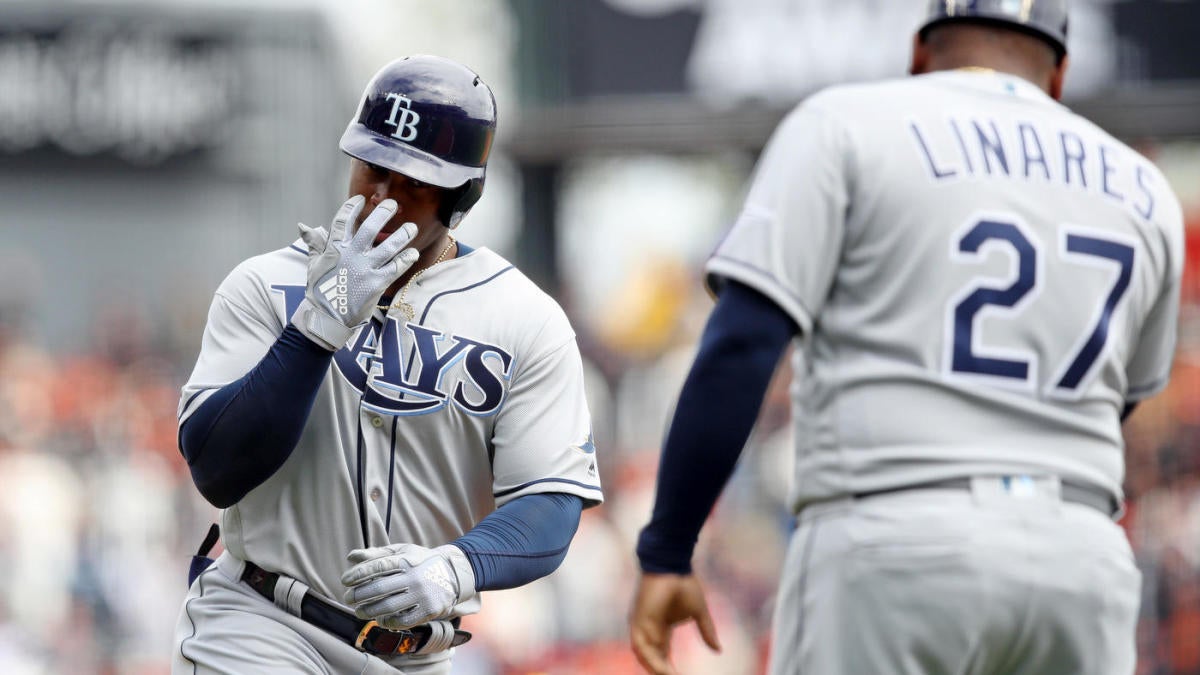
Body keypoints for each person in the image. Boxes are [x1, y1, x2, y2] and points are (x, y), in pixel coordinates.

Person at [629, 1, 1184, 673]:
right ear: (1060, 72)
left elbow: (743, 343)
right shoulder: (1145, 190)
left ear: (920, 53)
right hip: (1079, 562)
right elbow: (1117, 403)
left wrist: (668, 547)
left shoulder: (844, 125)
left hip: (893, 538)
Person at [173, 55, 603, 675]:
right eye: (373, 169)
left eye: (413, 183)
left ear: (461, 195)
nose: (381, 197)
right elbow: (216, 467)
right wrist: (321, 323)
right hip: (263, 625)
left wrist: (460, 564)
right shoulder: (268, 285)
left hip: (416, 657)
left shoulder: (524, 319)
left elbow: (551, 501)